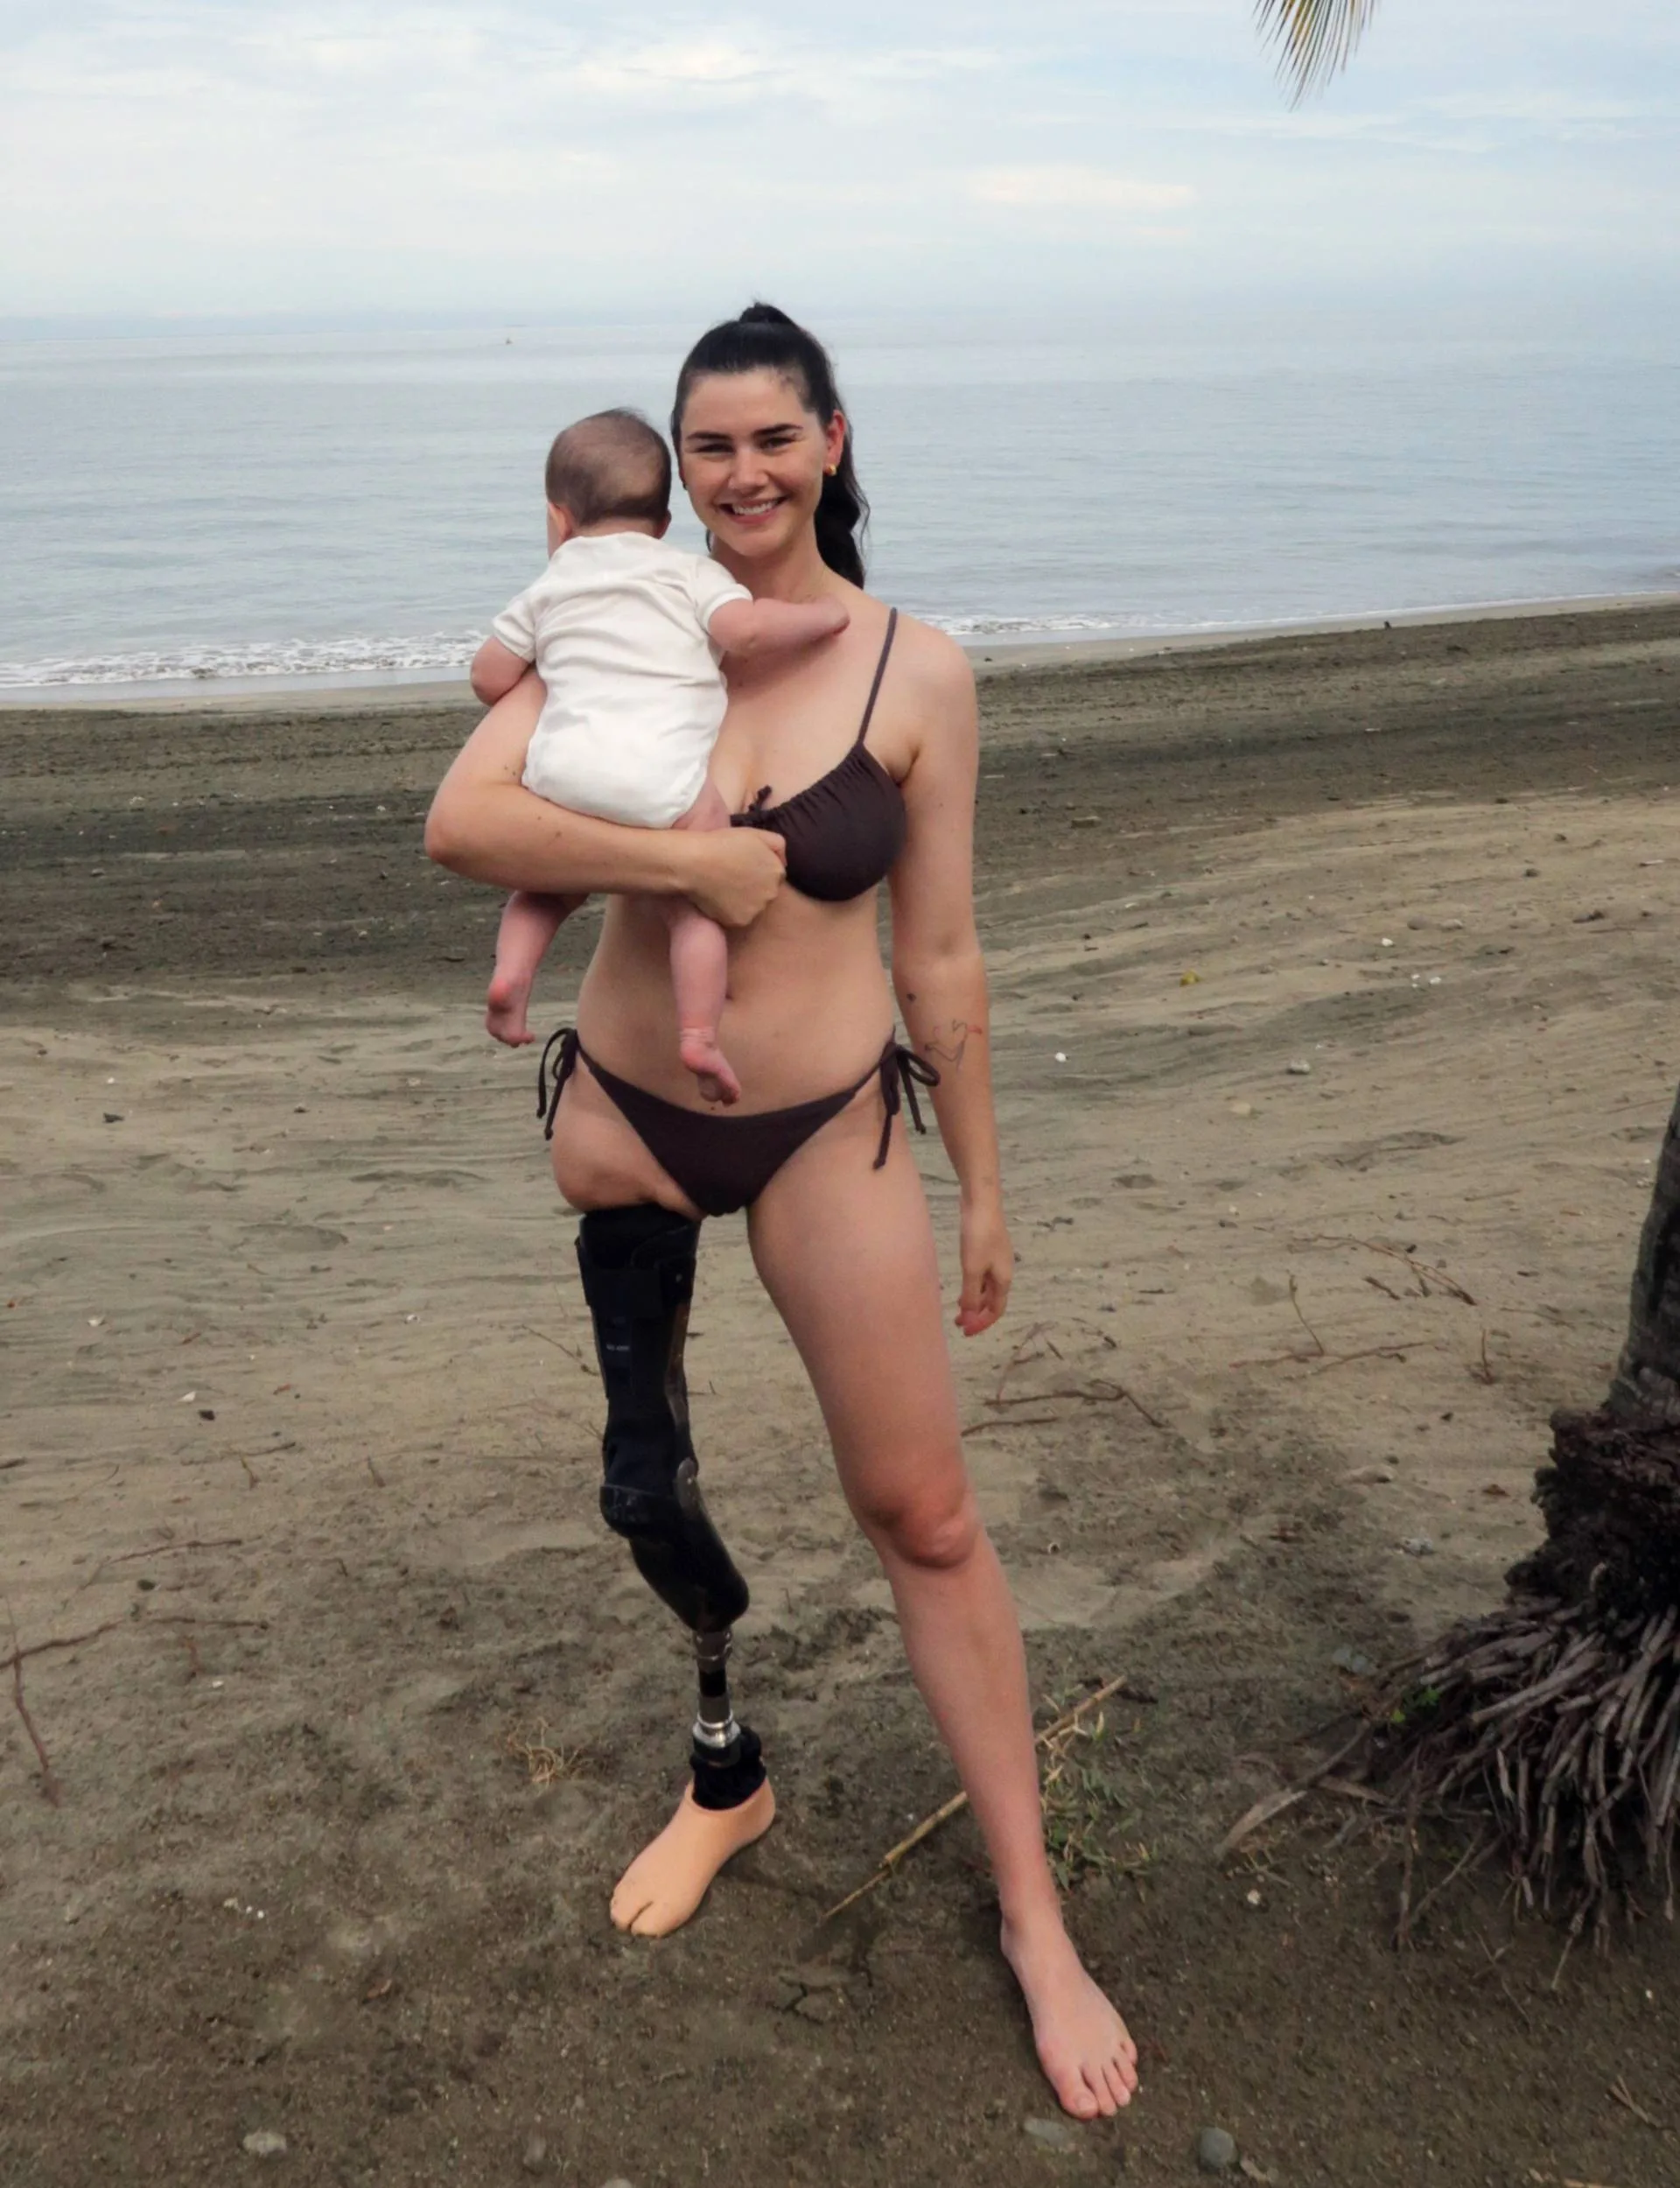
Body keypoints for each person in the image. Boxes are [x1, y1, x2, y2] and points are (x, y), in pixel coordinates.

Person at [426, 305, 1138, 2121]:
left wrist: (983, 1183)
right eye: (709, 446)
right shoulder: (614, 620)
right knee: (652, 1492)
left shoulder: (915, 673)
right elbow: (466, 824)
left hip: (828, 1125)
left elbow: (942, 957)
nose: (740, 473)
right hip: (630, 1115)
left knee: (925, 1510)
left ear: (832, 441)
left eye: (770, 437)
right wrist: (687, 863)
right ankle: (724, 1770)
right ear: (670, 468)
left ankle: (1036, 1915)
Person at [469, 405, 848, 1099]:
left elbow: (489, 678)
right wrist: (821, 616)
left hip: (561, 774)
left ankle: (511, 979)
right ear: (666, 521)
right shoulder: (689, 574)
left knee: (543, 891)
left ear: (558, 519)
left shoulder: (550, 588)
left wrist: (551, 667)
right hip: (661, 781)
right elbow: (748, 632)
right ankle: (698, 1034)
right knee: (692, 904)